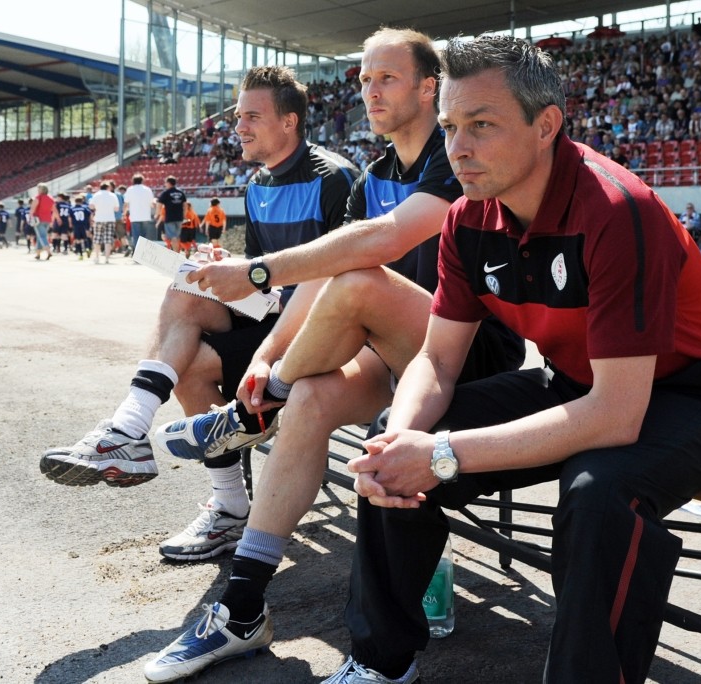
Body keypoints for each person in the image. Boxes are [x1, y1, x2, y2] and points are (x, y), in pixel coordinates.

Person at [324, 35, 701, 684]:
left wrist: (440, 454)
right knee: (390, 436)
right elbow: (437, 360)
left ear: (546, 125)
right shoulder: (467, 219)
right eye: (450, 126)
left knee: (599, 492)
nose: (458, 147)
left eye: (482, 125)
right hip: (581, 384)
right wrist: (403, 444)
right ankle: (379, 663)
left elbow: (616, 415)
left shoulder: (617, 210)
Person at [141, 28, 524, 683]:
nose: (371, 91)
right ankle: (240, 608)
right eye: (365, 80)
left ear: (428, 87)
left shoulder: (454, 153)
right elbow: (320, 276)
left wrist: (257, 272)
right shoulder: (374, 174)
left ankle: (251, 416)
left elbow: (385, 240)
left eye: (388, 78)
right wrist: (267, 356)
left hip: (471, 350)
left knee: (360, 278)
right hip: (400, 354)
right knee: (313, 395)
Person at [40, 65, 360, 508]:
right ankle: (130, 430)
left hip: (319, 331)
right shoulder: (257, 185)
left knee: (188, 366)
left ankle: (222, 500)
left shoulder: (334, 178)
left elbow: (347, 277)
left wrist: (256, 279)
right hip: (274, 315)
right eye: (238, 116)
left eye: (252, 117)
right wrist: (228, 266)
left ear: (289, 121)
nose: (239, 127)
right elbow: (263, 272)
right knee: (186, 288)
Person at [89, 181, 121, 264]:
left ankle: (97, 257)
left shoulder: (96, 195)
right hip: (110, 219)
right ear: (108, 187)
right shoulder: (113, 195)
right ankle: (107, 258)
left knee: (97, 238)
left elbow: (91, 206)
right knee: (108, 239)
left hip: (98, 219)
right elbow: (116, 209)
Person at [123, 172, 155, 250]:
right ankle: (143, 252)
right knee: (144, 236)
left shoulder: (130, 189)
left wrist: (124, 214)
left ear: (133, 181)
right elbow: (152, 204)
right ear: (142, 180)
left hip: (134, 216)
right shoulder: (147, 189)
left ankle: (137, 252)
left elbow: (126, 204)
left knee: (136, 236)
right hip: (145, 216)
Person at [156, 176, 187, 253]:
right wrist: (184, 215)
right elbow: (185, 205)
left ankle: (176, 253)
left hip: (170, 218)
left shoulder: (166, 193)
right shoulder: (181, 192)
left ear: (169, 183)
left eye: (165, 183)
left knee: (173, 236)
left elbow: (159, 204)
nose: (165, 184)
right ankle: (177, 252)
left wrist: (157, 214)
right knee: (177, 236)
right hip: (179, 218)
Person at [28, 183, 56, 261]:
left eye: (38, 189)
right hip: (47, 219)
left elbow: (32, 209)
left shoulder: (38, 198)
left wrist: (30, 218)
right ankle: (38, 254)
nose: (37, 190)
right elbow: (53, 209)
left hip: (39, 219)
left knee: (42, 236)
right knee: (40, 236)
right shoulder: (50, 198)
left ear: (41, 190)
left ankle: (48, 251)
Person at [69, 194, 92, 260]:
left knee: (77, 240)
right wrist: (90, 223)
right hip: (84, 225)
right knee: (85, 238)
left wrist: (70, 224)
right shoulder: (85, 208)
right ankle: (87, 248)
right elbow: (90, 215)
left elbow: (70, 217)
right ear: (82, 201)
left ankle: (81, 255)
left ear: (75, 201)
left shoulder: (72, 208)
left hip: (76, 225)